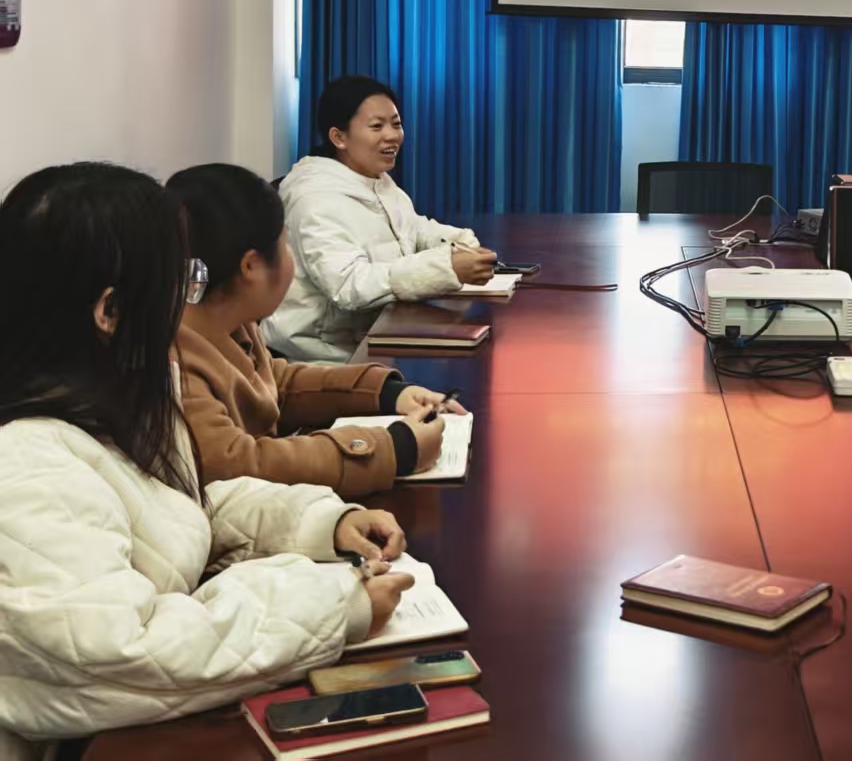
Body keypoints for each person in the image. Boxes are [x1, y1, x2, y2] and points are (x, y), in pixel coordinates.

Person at [0, 164, 417, 751]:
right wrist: (333, 605)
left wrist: (322, 524)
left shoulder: (116, 397)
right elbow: (126, 654)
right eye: (180, 281)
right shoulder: (27, 467)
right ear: (110, 311)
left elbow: (181, 508)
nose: (187, 304)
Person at [168, 163, 468, 498]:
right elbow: (236, 464)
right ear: (251, 266)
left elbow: (274, 386)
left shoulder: (227, 320)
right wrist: (390, 449)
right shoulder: (176, 363)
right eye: (285, 246)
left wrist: (386, 393)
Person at [266, 75, 498, 362]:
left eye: (396, 124)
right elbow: (349, 285)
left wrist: (460, 243)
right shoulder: (314, 200)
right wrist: (445, 267)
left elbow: (415, 230)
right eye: (377, 126)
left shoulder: (376, 181)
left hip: (379, 336)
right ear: (338, 137)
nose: (392, 136)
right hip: (329, 357)